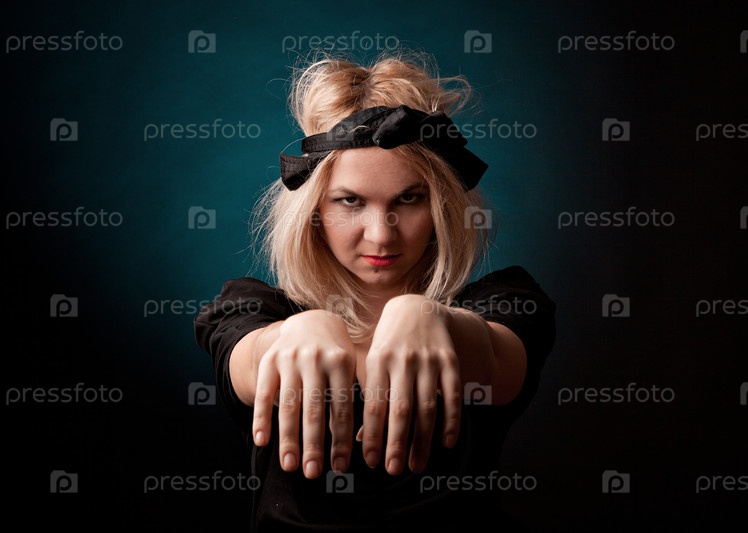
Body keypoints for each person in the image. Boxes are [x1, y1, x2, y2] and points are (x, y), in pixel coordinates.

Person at [194, 50, 556, 532]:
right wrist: (288, 336)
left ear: (442, 207)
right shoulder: (254, 308)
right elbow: (247, 358)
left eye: (409, 198)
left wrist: (430, 317)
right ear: (313, 211)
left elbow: (496, 360)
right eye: (350, 201)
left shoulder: (505, 303)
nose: (382, 235)